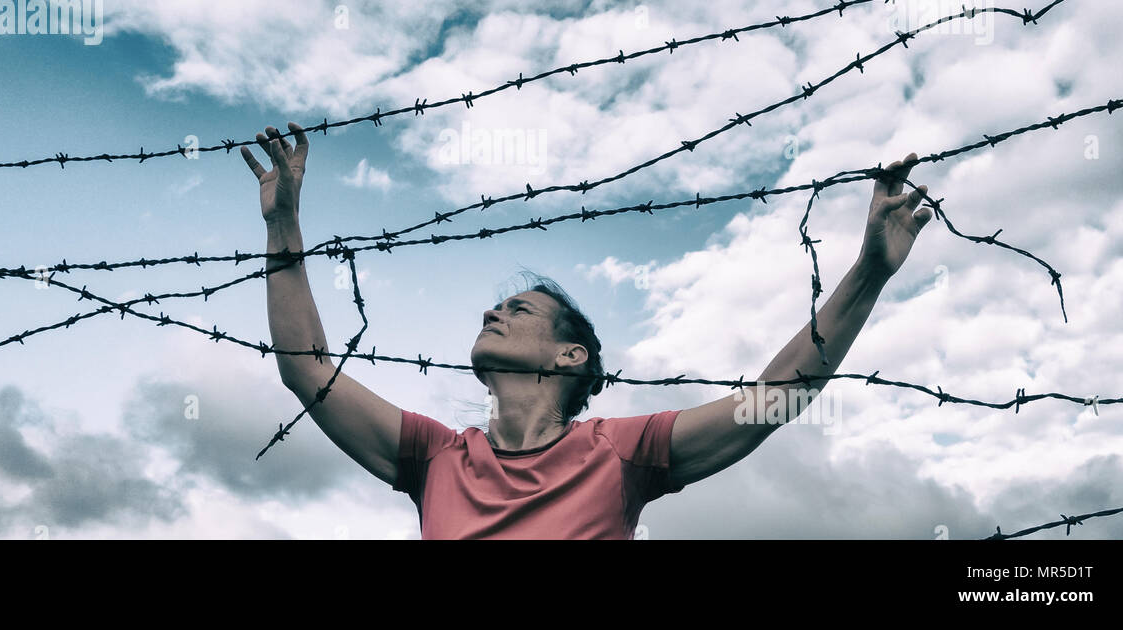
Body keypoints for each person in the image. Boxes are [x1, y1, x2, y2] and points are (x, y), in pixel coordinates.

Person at [241, 122, 932, 539]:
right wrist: (283, 226)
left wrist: (868, 271)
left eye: (519, 310)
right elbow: (307, 367)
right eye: (496, 307)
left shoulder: (620, 453)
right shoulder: (435, 457)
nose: (492, 313)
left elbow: (771, 401)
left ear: (570, 356)